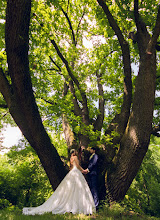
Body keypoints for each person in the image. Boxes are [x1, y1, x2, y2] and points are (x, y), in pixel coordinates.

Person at [22, 149, 96, 215]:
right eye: (75, 151)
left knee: (71, 190)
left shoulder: (71, 158)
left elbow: (71, 167)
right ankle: (78, 206)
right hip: (76, 172)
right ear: (74, 152)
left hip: (72, 172)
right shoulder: (75, 157)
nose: (76, 152)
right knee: (79, 189)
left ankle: (72, 205)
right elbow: (77, 165)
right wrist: (83, 170)